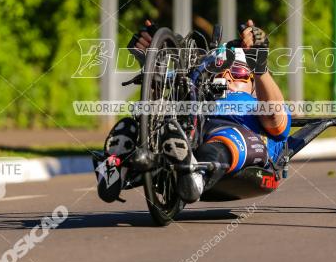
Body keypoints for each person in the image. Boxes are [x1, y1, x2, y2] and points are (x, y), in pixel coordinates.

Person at [95, 20, 291, 203]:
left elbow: (274, 119)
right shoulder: (199, 94)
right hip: (188, 130)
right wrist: (150, 60)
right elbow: (160, 97)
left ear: (256, 85)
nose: (226, 78)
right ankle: (116, 167)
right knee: (131, 126)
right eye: (218, 72)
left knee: (226, 138)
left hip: (238, 138)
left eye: (237, 72)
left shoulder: (258, 103)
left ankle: (194, 172)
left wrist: (259, 62)